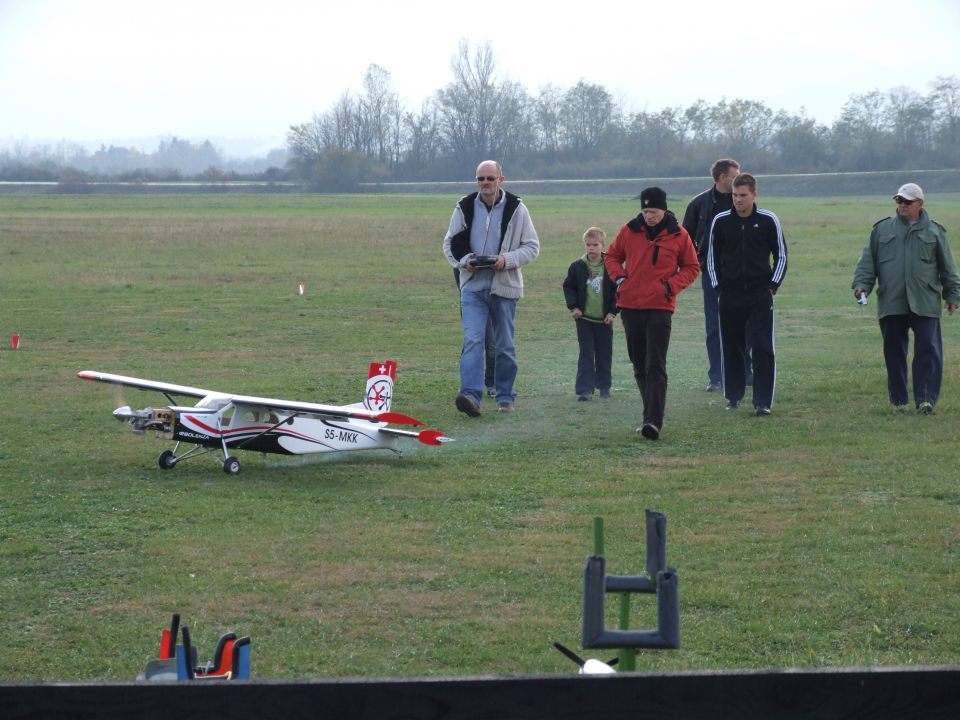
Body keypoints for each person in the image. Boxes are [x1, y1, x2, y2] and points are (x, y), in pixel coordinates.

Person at [443, 160, 540, 416]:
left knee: (504, 345)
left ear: (501, 180)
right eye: (480, 179)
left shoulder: (517, 208)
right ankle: (470, 396)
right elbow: (449, 244)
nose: (485, 183)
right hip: (473, 287)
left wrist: (504, 261)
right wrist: (466, 261)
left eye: (490, 178)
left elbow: (532, 247)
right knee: (473, 341)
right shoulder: (464, 206)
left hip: (504, 287)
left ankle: (505, 396)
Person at [852, 182, 959, 414]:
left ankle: (926, 400)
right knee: (894, 352)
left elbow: (948, 268)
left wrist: (952, 295)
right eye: (899, 200)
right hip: (892, 300)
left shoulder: (935, 231)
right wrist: (862, 285)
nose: (902, 205)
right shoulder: (881, 230)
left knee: (928, 352)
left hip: (925, 301)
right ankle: (899, 402)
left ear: (920, 204)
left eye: (907, 201)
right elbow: (867, 263)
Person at [604, 187, 699, 440]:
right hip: (630, 306)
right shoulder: (629, 230)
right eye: (645, 211)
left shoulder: (679, 235)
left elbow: (691, 267)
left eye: (653, 212)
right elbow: (612, 256)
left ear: (664, 209)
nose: (648, 216)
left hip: (660, 307)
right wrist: (620, 277)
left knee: (655, 363)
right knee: (638, 363)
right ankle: (649, 414)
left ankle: (653, 422)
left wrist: (669, 286)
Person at [706, 173, 787, 416]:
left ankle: (762, 402)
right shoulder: (720, 221)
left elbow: (781, 256)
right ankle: (733, 396)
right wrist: (719, 288)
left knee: (762, 346)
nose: (738, 200)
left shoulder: (768, 220)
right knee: (732, 346)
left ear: (754, 195)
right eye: (734, 195)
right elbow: (711, 258)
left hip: (760, 294)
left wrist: (772, 286)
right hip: (730, 295)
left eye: (743, 195)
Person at [682, 158, 752, 392]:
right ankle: (717, 376)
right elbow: (685, 239)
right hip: (711, 274)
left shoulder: (742, 202)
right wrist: (697, 262)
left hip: (741, 273)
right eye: (735, 174)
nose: (739, 178)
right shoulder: (699, 205)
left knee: (745, 322)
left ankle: (745, 372)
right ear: (723, 178)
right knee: (715, 325)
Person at [563, 227, 618, 401]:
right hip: (584, 318)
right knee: (586, 353)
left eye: (595, 245)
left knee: (604, 353)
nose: (591, 248)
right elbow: (569, 287)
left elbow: (619, 290)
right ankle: (584, 390)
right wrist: (574, 307)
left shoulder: (611, 266)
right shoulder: (577, 267)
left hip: (604, 320)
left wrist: (613, 312)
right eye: (588, 245)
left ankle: (604, 388)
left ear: (603, 245)